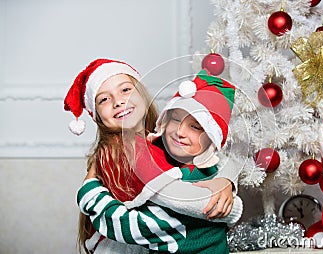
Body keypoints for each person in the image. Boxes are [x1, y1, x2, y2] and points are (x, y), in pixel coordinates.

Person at [64, 59, 242, 253]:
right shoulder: (128, 151)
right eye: (104, 99)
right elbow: (182, 202)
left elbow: (221, 160)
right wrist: (233, 209)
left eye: (125, 90)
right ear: (97, 114)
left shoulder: (160, 141)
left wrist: (226, 180)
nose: (118, 102)